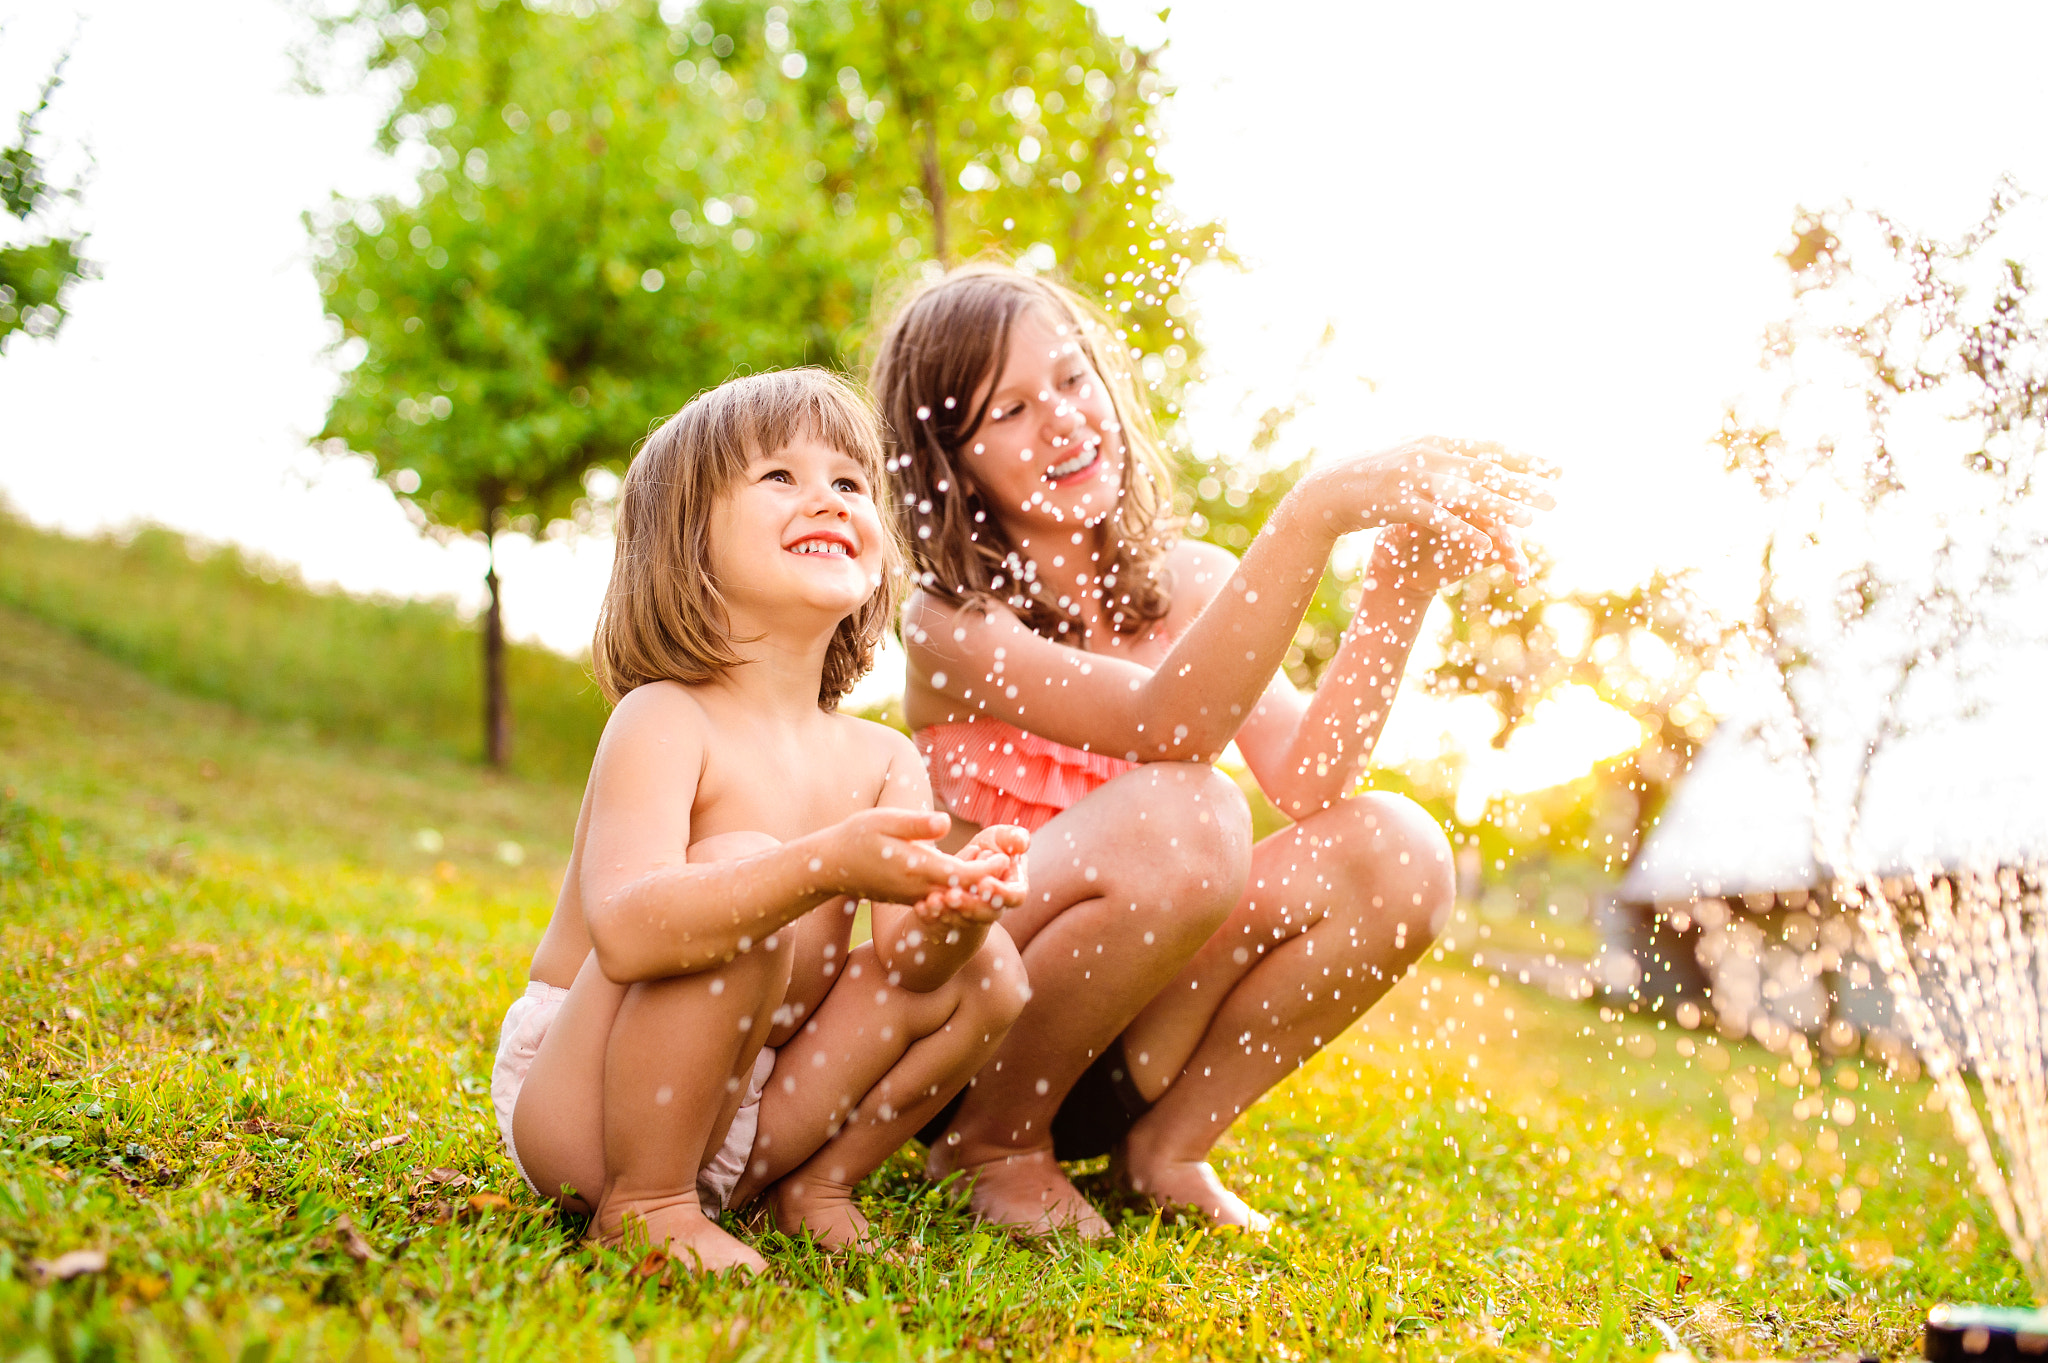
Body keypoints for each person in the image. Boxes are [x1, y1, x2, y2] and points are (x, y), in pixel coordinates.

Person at [870, 263, 1556, 1236]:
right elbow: (1165, 726)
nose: (1061, 418)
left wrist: (1399, 584)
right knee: (1189, 810)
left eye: (1071, 380)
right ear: (951, 463)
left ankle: (1167, 1145)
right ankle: (988, 1144)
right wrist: (1313, 509)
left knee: (1394, 846)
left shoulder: (1187, 584)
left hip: (1132, 1036)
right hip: (972, 1033)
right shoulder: (953, 621)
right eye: (1010, 409)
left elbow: (1312, 778)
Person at [489, 368, 1032, 1275]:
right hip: (587, 1108)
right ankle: (646, 1205)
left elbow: (909, 971)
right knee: (742, 871)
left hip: (749, 1110)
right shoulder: (666, 716)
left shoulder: (883, 758)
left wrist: (955, 914)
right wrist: (820, 866)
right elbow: (625, 932)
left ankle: (815, 1184)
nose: (826, 496)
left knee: (990, 973)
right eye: (779, 476)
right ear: (685, 541)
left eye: (849, 483)